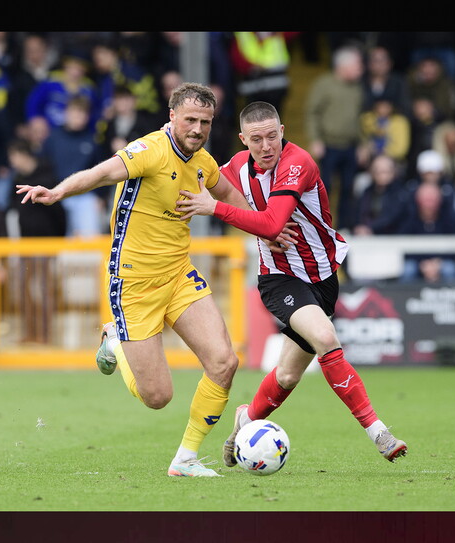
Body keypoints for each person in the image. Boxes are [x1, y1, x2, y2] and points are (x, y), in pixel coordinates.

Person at [16, 82, 273, 477]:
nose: (197, 128)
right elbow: (102, 173)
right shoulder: (150, 149)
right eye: (190, 119)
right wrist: (58, 192)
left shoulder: (203, 162)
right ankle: (114, 339)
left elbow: (232, 198)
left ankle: (185, 459)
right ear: (171, 116)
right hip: (134, 283)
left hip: (179, 274)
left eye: (205, 121)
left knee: (224, 363)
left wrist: (268, 230)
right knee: (158, 397)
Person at [174, 101, 409, 468]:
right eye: (256, 139)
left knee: (287, 374)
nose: (266, 146)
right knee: (327, 338)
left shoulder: (297, 162)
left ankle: (246, 420)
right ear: (243, 140)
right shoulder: (234, 167)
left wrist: (216, 209)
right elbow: (190, 178)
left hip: (324, 277)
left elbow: (270, 223)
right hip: (279, 278)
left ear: (282, 131)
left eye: (272, 136)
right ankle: (378, 432)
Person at [305, 44, 366, 231]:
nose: (361, 69)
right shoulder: (324, 84)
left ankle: (344, 227)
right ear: (343, 66)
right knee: (326, 188)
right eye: (357, 65)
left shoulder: (359, 89)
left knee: (349, 188)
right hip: (329, 145)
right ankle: (322, 225)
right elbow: (312, 112)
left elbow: (363, 118)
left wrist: (364, 144)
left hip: (351, 146)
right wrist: (315, 139)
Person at [42, 95, 108, 236]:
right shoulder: (53, 138)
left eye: (82, 113)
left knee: (90, 241)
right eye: (75, 112)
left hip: (86, 196)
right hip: (56, 194)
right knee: (59, 242)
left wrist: (101, 197)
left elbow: (103, 169)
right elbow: (43, 168)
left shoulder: (93, 140)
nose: (78, 117)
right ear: (66, 113)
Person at [395, 182, 455, 284]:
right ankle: (406, 299)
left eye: (432, 200)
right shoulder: (409, 218)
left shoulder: (449, 219)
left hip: (441, 261)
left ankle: (453, 298)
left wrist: (437, 263)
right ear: (418, 200)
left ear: (439, 200)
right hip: (418, 261)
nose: (429, 205)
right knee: (408, 269)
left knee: (449, 269)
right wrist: (422, 263)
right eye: (426, 200)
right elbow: (404, 246)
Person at [6, 138, 67, 237]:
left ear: (24, 154)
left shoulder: (47, 175)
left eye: (13, 155)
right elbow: (12, 207)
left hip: (49, 239)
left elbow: (58, 211)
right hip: (26, 241)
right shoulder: (17, 180)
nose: (10, 160)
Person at [353, 154, 410, 236]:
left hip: (393, 237)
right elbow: (359, 214)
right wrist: (360, 227)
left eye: (385, 171)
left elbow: (392, 218)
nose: (381, 175)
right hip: (367, 236)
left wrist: (370, 228)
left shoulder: (401, 193)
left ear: (393, 172)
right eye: (377, 171)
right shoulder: (367, 192)